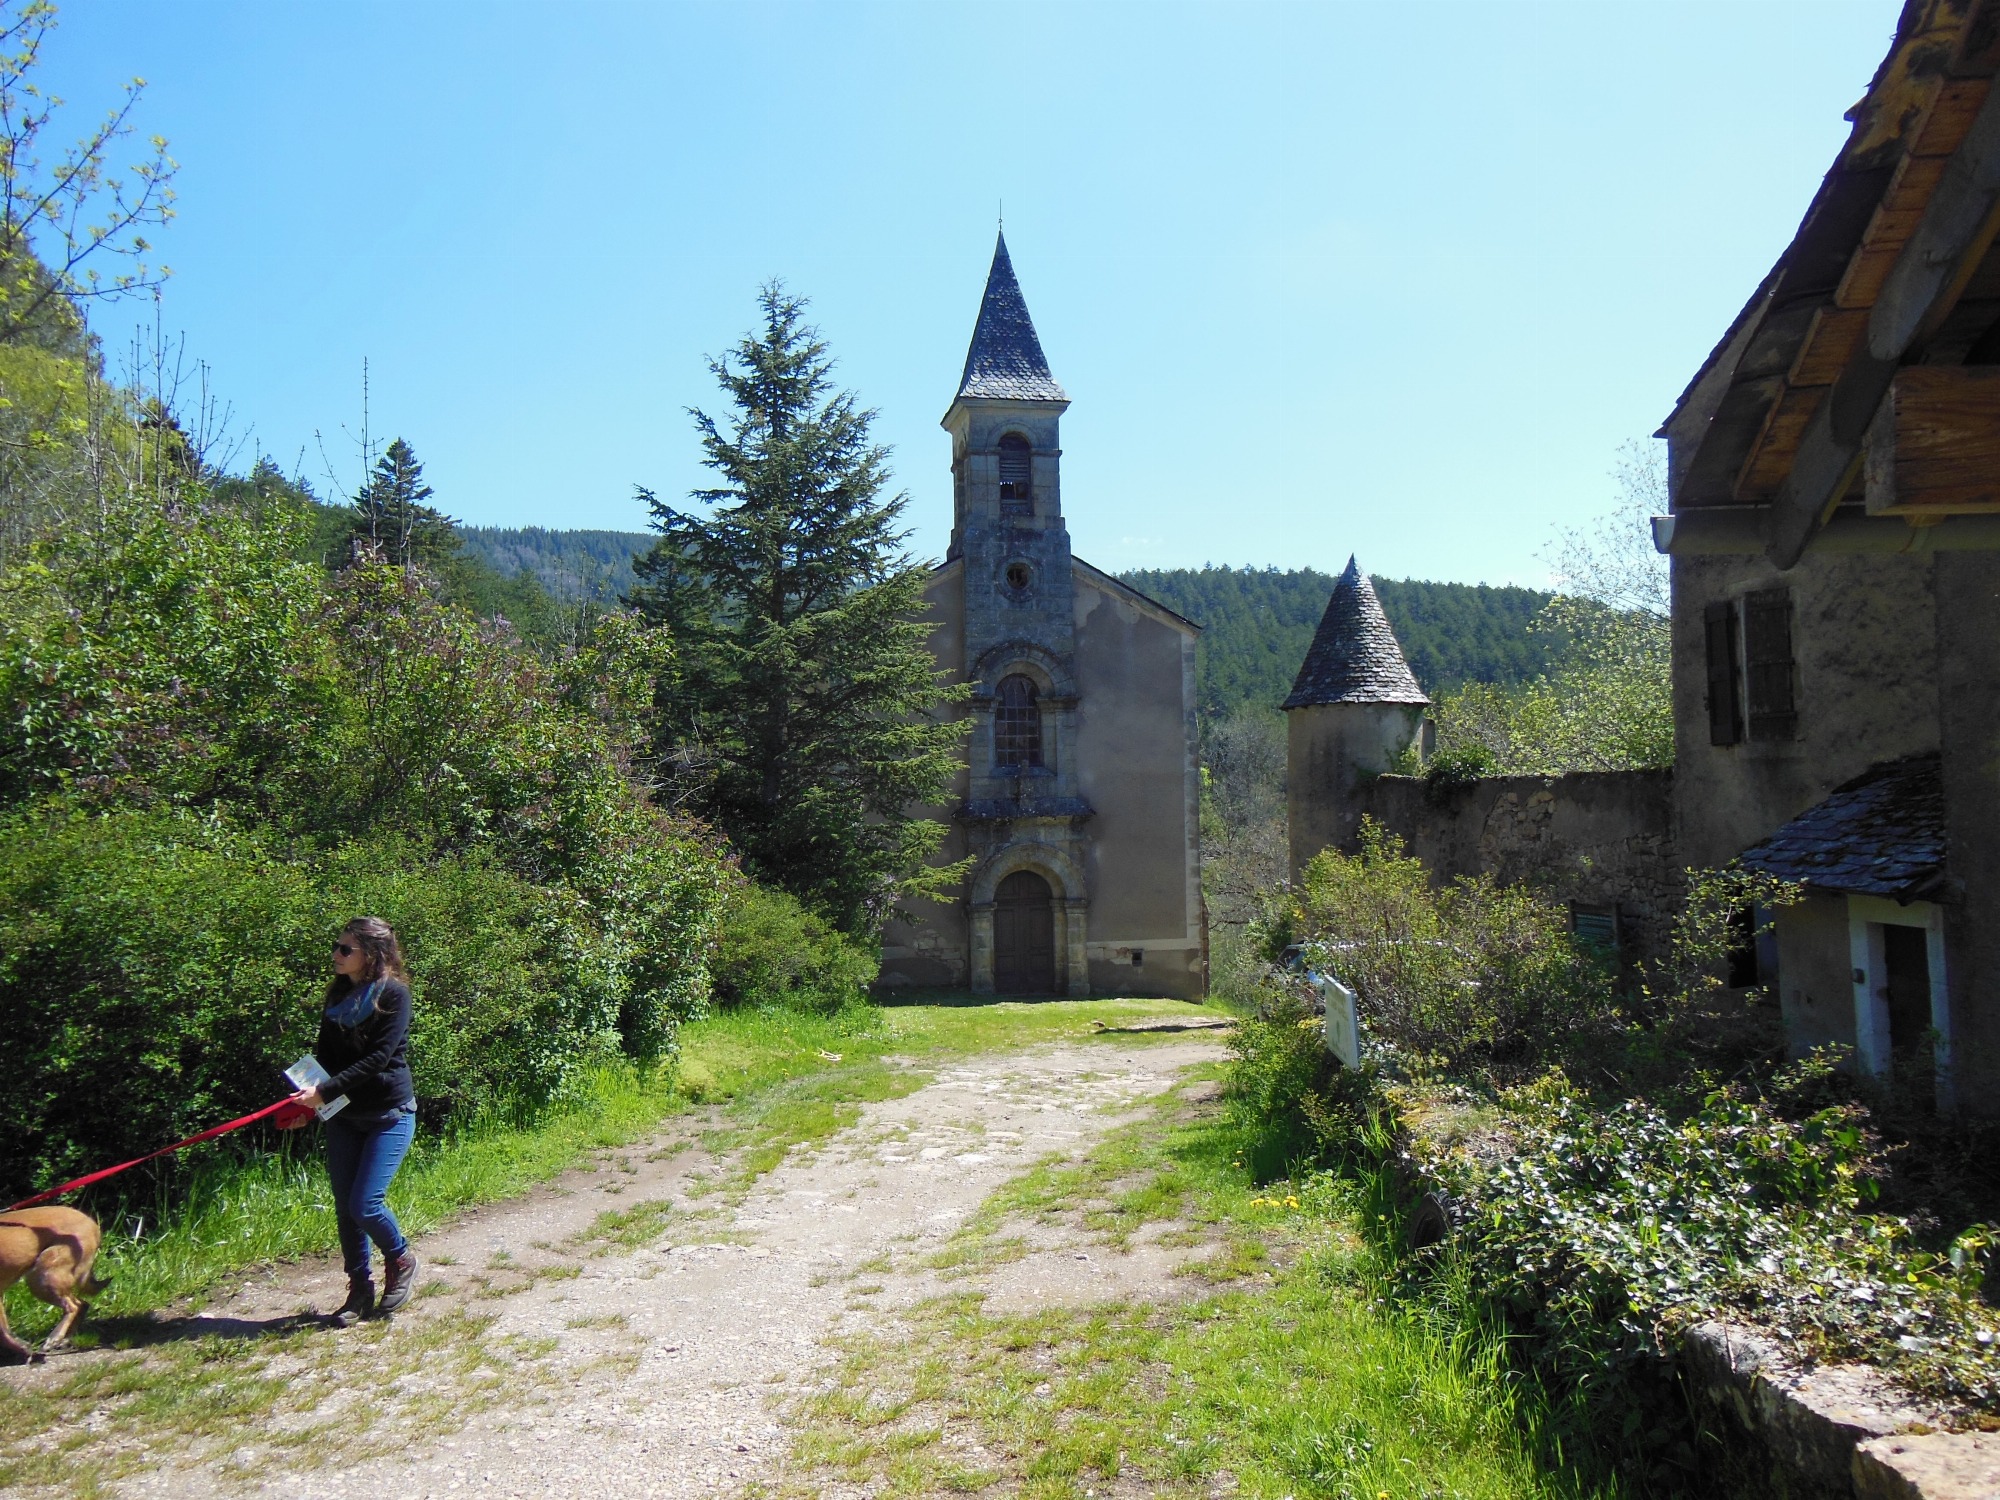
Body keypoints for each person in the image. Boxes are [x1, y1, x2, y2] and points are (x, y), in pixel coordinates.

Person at [283, 917, 421, 1326]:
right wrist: (304, 1104)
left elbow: (377, 1059)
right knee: (346, 1209)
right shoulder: (339, 994)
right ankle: (359, 1289)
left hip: (389, 1114)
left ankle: (400, 1258)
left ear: (372, 954)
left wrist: (323, 1094)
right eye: (337, 946)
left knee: (366, 1204)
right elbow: (325, 1058)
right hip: (344, 1115)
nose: (336, 955)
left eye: (346, 949)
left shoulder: (395, 996)